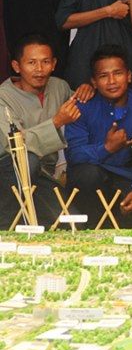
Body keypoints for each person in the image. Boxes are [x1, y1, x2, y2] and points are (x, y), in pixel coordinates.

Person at [0, 35, 92, 227]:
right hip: (7, 174)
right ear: (17, 66)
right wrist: (56, 122)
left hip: (42, 177)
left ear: (54, 64)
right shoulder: (3, 97)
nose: (39, 69)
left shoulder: (59, 87)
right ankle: (5, 225)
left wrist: (87, 90)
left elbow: (80, 105)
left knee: (72, 225)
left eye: (45, 62)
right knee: (28, 160)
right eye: (31, 63)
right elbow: (14, 145)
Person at [64, 45, 132, 229]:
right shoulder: (82, 107)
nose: (112, 81)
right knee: (87, 175)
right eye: (103, 76)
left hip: (129, 181)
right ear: (93, 82)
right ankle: (90, 232)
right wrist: (106, 148)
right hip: (93, 182)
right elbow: (74, 155)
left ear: (129, 76)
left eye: (118, 73)